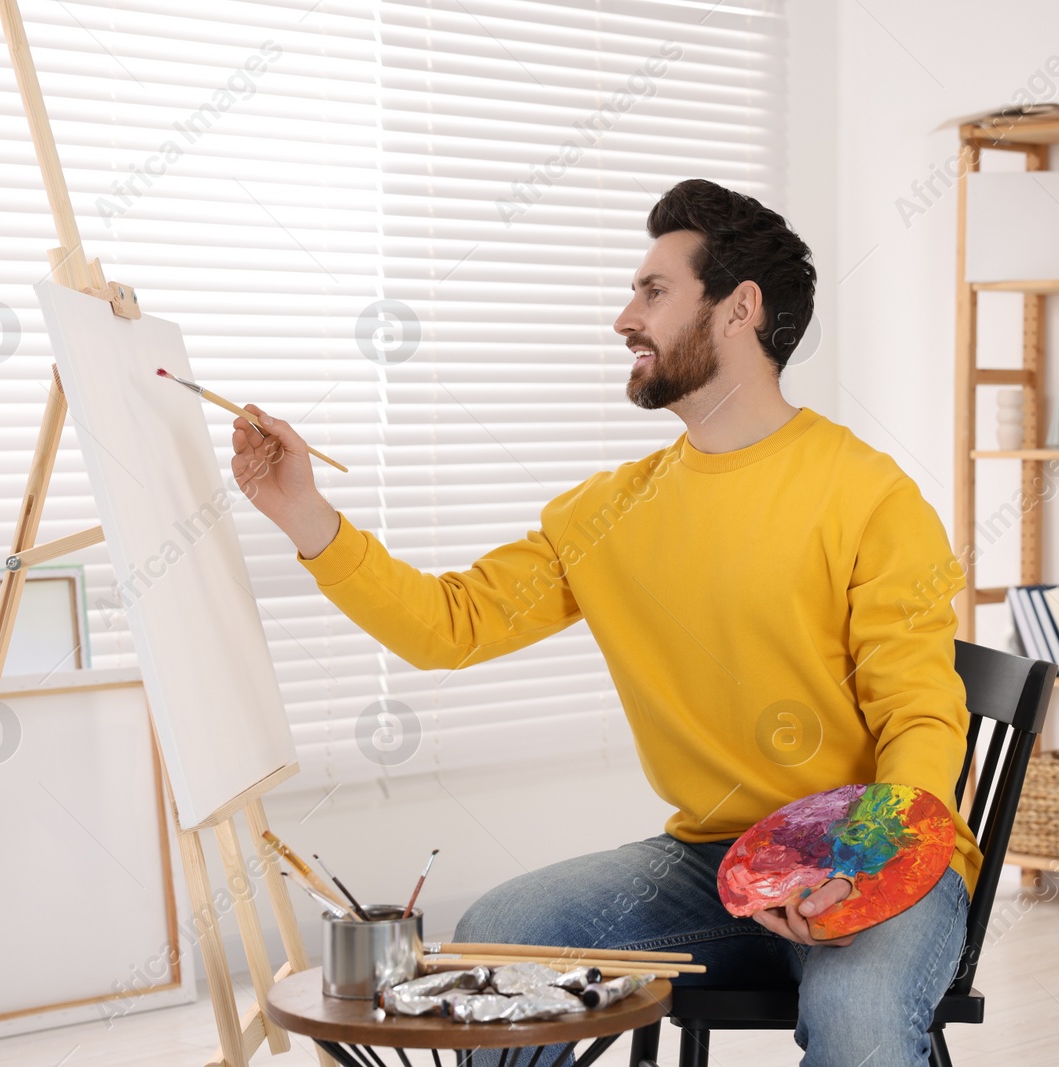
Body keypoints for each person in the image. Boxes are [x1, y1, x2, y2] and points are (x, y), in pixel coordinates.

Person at [231, 178, 977, 1067]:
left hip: (879, 853)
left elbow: (921, 716)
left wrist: (855, 868)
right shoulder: (610, 513)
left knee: (859, 1011)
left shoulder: (869, 496)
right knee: (500, 934)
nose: (624, 317)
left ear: (740, 309)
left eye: (654, 291)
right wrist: (303, 511)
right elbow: (451, 624)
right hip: (716, 862)